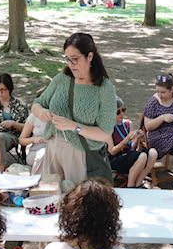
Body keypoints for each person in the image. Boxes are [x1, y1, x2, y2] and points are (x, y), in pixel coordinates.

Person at [29, 33, 115, 188]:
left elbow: (105, 132)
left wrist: (73, 126)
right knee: (52, 200)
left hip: (81, 155)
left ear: (90, 56)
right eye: (67, 59)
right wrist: (40, 112)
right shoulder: (62, 78)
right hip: (53, 149)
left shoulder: (105, 88)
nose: (71, 64)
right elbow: (37, 103)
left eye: (75, 59)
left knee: (77, 203)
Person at [110, 100, 157, 189]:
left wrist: (138, 138)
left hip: (130, 154)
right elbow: (112, 152)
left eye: (123, 110)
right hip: (116, 158)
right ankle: (131, 186)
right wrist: (126, 139)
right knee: (142, 156)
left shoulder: (128, 123)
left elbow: (132, 147)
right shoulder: (108, 127)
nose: (121, 114)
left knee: (153, 153)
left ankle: (138, 183)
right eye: (117, 112)